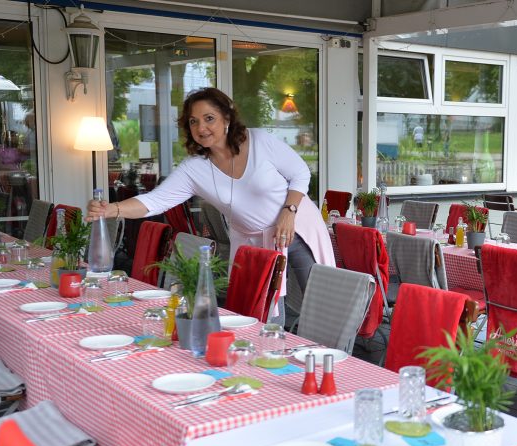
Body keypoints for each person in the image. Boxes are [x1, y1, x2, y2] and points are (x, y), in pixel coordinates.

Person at [85, 88, 335, 317]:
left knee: (320, 304)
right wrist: (112, 209)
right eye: (194, 121)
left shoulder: (258, 141)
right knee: (262, 314)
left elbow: (300, 173)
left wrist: (288, 212)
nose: (201, 127)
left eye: (209, 118)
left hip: (296, 227)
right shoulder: (195, 169)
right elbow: (156, 201)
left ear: (226, 118)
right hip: (253, 241)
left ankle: (329, 358)